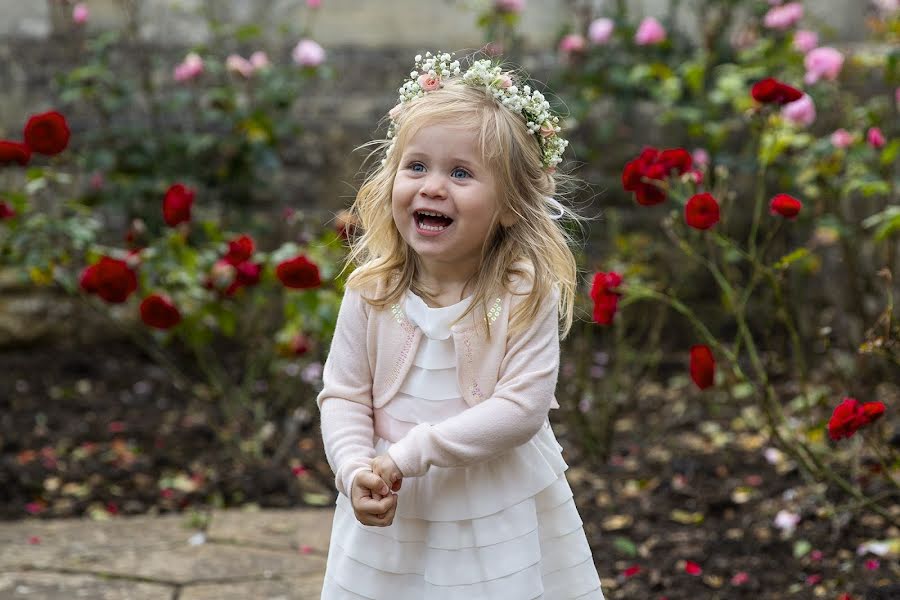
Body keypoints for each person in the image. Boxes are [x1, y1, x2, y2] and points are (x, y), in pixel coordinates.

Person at [317, 50, 604, 599]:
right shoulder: (374, 289)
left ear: (511, 205)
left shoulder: (520, 292)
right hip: (393, 506)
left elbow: (521, 407)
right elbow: (345, 395)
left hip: (489, 507)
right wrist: (356, 471)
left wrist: (410, 454)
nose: (432, 186)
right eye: (417, 166)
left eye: (462, 173)